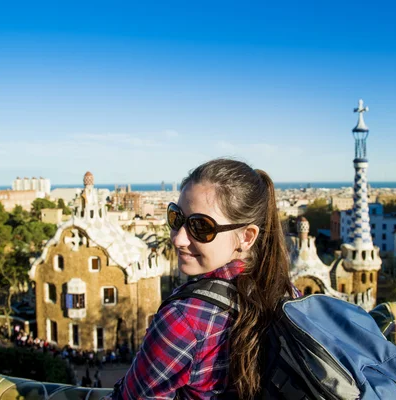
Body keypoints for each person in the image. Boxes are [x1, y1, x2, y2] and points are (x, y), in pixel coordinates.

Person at [108, 158, 297, 399]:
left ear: (247, 237)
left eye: (200, 227)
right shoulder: (287, 293)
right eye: (176, 218)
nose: (178, 239)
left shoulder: (184, 319)